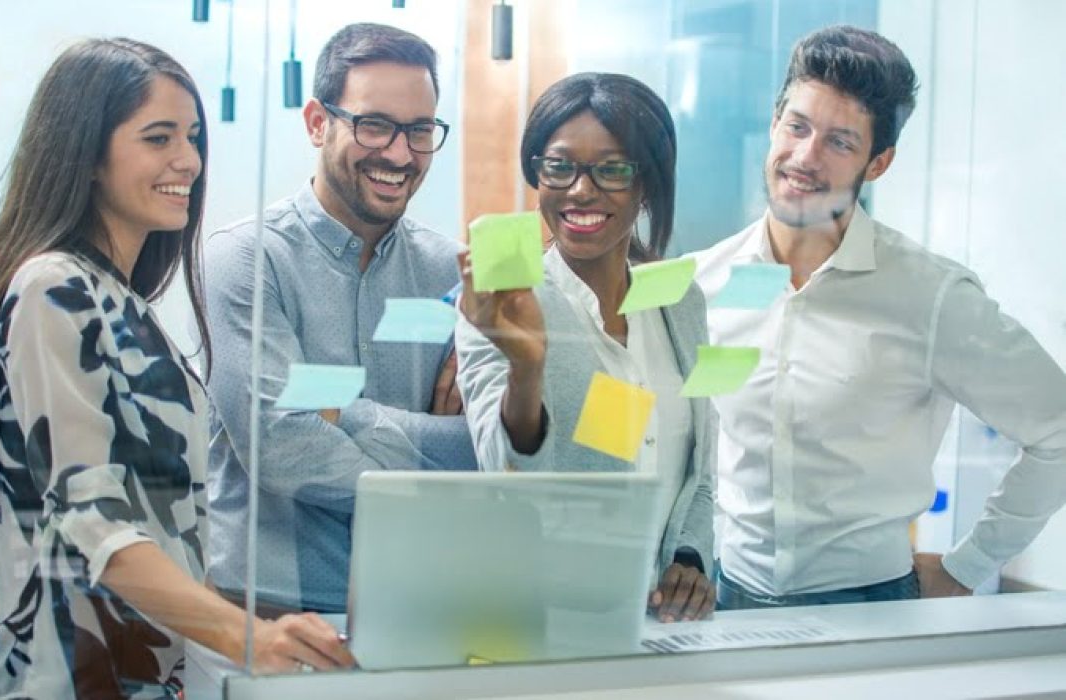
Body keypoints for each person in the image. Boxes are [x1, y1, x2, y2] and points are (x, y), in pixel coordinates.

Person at [0, 38, 353, 698]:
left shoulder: (123, 302)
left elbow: (169, 531)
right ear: (88, 156)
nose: (187, 160)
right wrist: (246, 635)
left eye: (191, 137)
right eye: (158, 138)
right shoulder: (55, 287)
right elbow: (92, 520)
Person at [693, 25, 1066, 609]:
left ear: (879, 162)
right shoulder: (703, 283)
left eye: (840, 142)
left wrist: (969, 564)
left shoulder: (930, 295)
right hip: (722, 596)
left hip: (873, 605)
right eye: (797, 126)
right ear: (774, 124)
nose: (805, 157)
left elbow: (1058, 429)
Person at [202, 23, 476, 619]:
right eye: (374, 125)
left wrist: (346, 417)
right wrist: (431, 472)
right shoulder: (247, 258)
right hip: (264, 614)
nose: (400, 154)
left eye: (420, 131)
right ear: (317, 123)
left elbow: (486, 446)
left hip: (413, 604)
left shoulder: (451, 274)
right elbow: (281, 446)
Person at [455, 73, 716, 623]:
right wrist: (527, 365)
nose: (580, 189)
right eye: (559, 166)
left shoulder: (681, 303)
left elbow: (701, 465)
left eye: (613, 169)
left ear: (647, 185)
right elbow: (506, 477)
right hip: (542, 621)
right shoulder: (502, 302)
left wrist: (690, 557)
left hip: (664, 627)